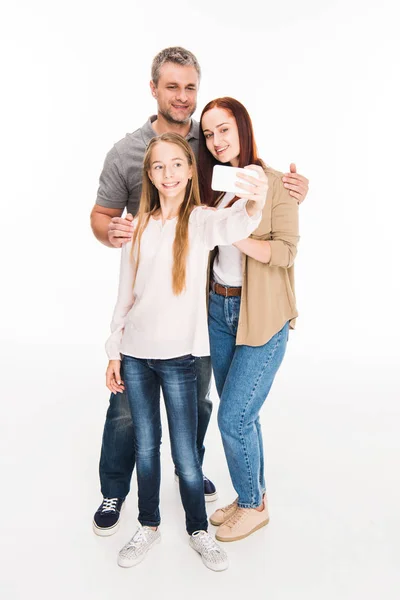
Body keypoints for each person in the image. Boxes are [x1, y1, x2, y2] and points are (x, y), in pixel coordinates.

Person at [90, 46, 309, 536]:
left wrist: (287, 191)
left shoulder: (208, 151)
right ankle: (114, 490)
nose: (183, 97)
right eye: (172, 87)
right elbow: (101, 217)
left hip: (210, 310)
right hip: (163, 311)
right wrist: (116, 233)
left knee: (205, 402)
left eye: (190, 87)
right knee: (129, 408)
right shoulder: (128, 153)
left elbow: (247, 200)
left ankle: (197, 474)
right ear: (153, 89)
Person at [105, 132, 266, 570]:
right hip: (136, 356)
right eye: (158, 167)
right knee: (145, 448)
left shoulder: (200, 221)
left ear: (191, 170)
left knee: (185, 454)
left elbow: (237, 225)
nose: (168, 174)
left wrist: (255, 196)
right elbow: (125, 297)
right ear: (149, 175)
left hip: (180, 360)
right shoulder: (137, 226)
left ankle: (198, 529)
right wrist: (114, 351)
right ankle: (149, 525)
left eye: (176, 164)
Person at [197, 97, 300, 542]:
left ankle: (254, 506)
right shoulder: (214, 184)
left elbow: (286, 252)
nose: (217, 141)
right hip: (219, 310)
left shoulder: (276, 184)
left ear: (242, 128)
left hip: (262, 316)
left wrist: (237, 235)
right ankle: (249, 494)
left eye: (224, 129)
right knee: (245, 415)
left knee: (233, 417)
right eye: (208, 134)